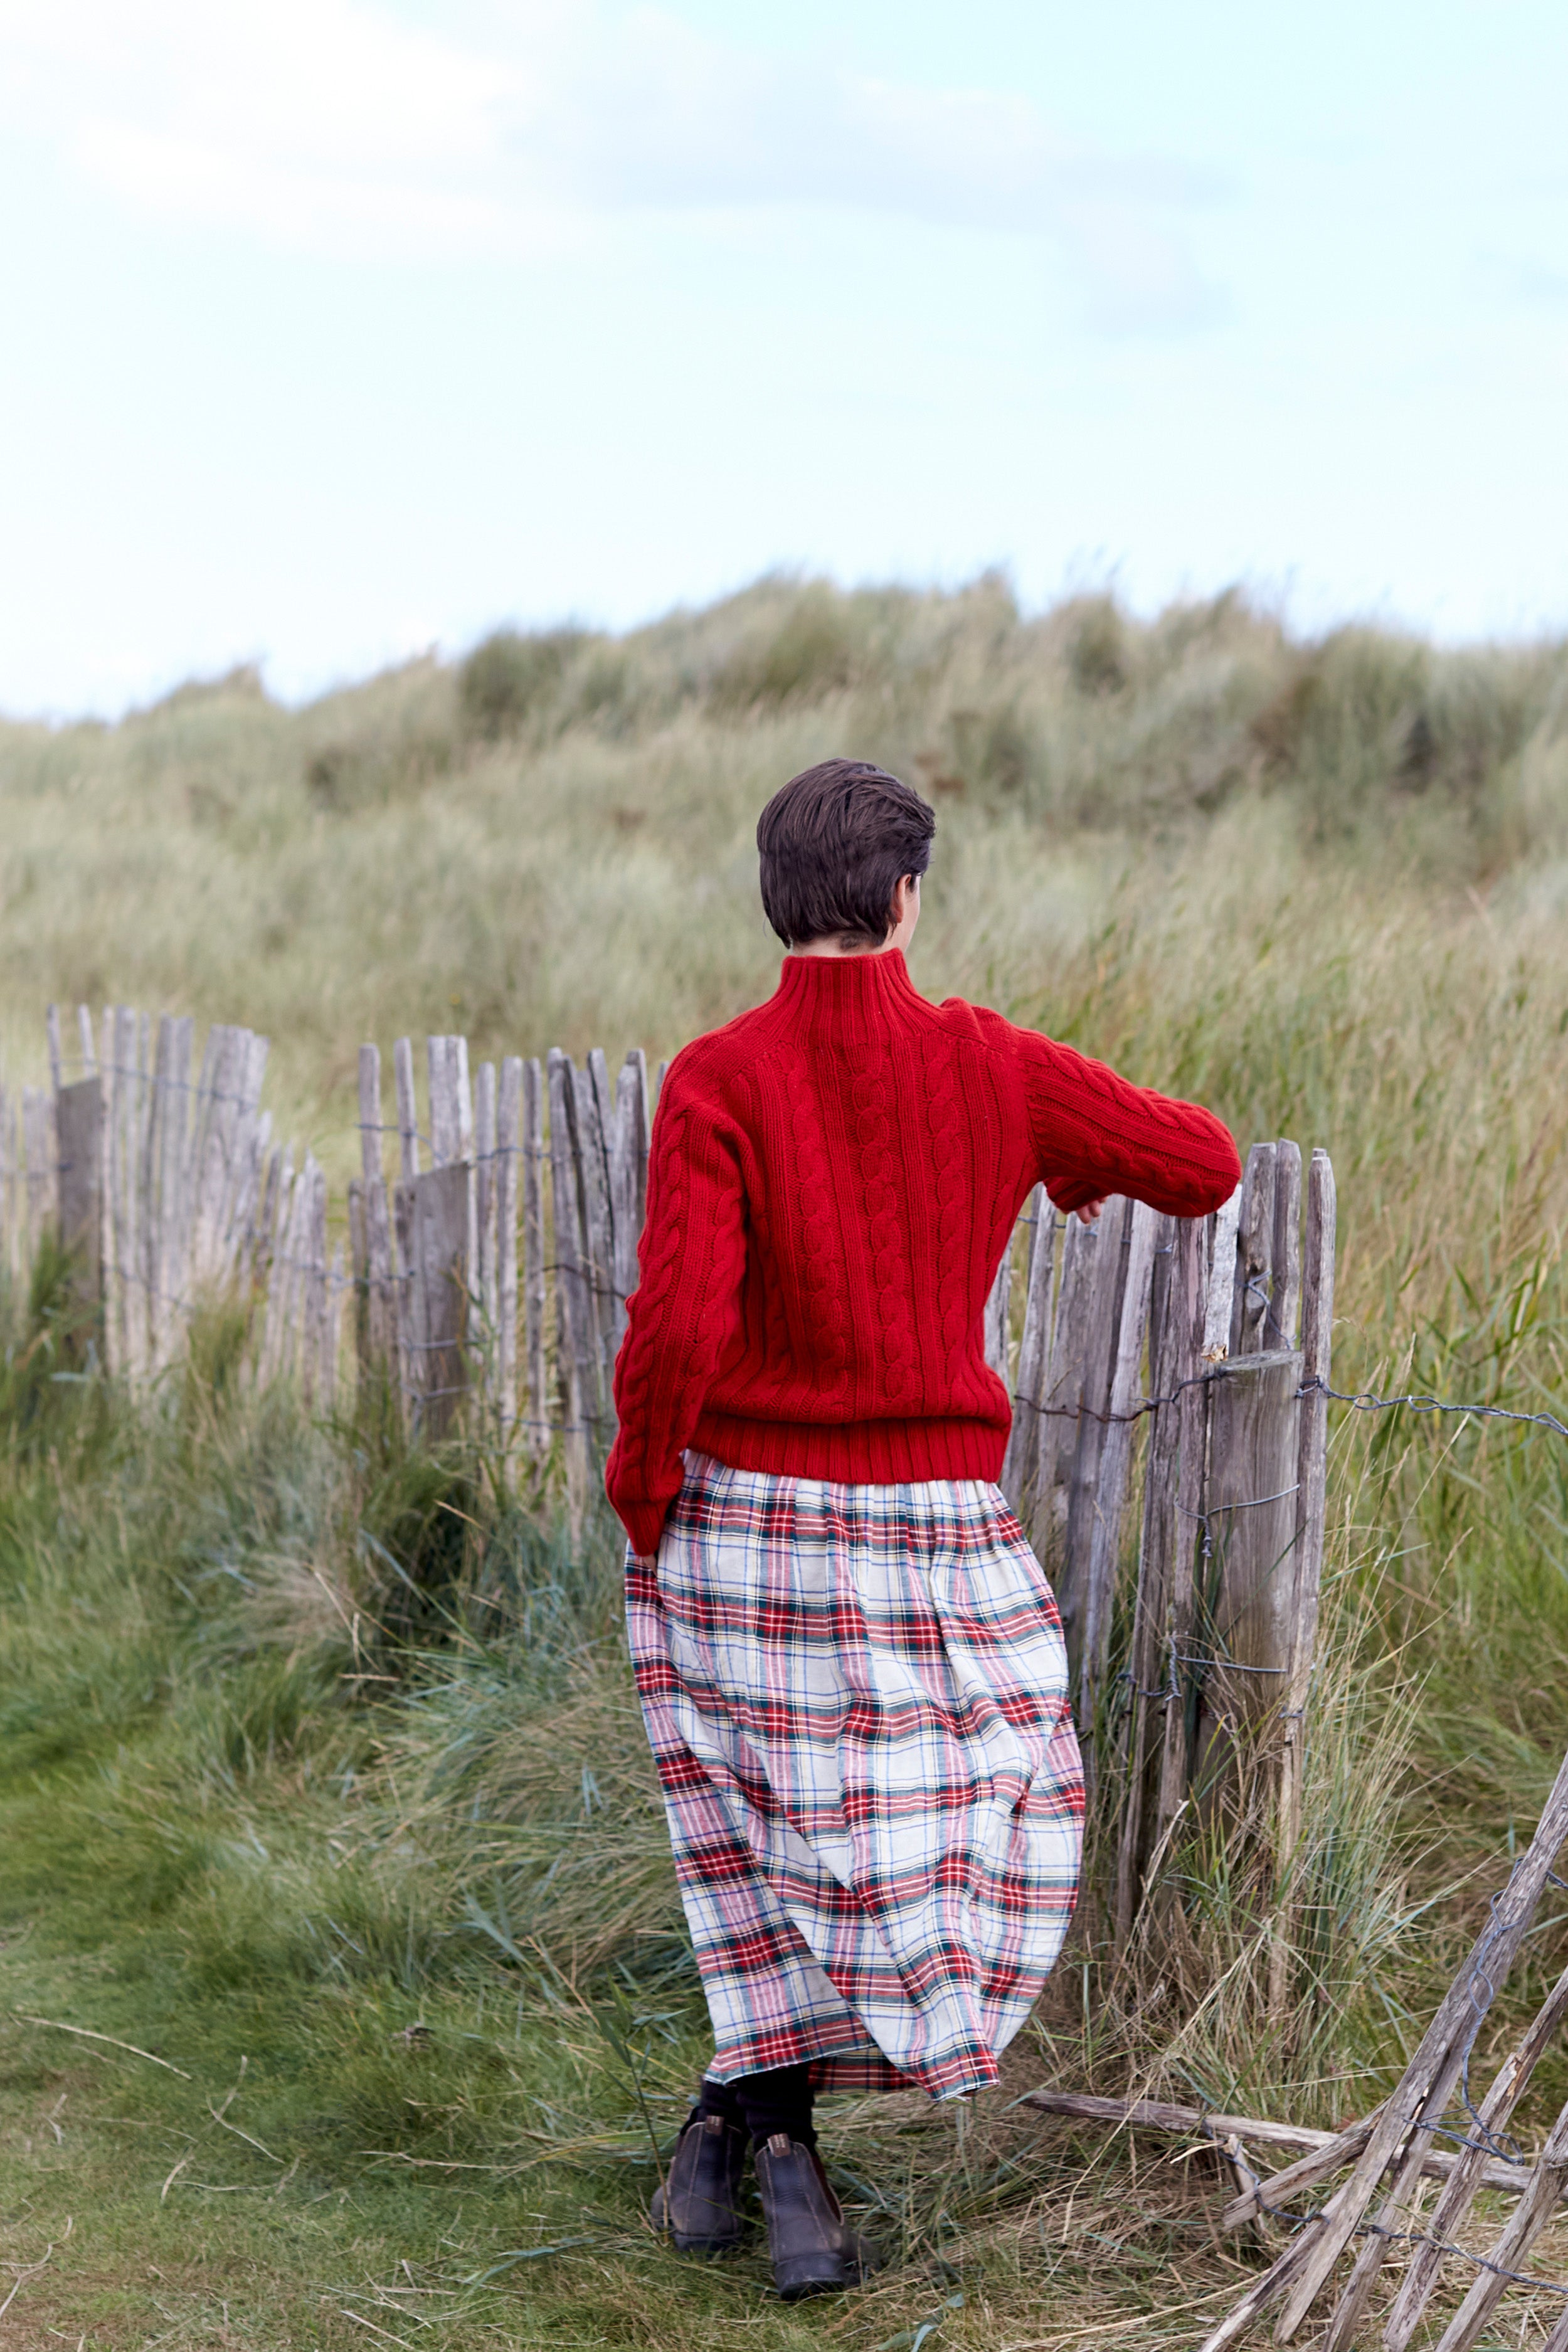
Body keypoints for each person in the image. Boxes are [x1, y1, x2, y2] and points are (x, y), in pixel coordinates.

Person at [605, 758, 1240, 2299]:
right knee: (948, 1821)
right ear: (905, 898)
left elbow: (676, 1325)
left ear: (775, 900)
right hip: (933, 1535)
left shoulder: (716, 1076)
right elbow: (1204, 1162)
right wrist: (1051, 1151)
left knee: (766, 1838)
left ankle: (743, 2142)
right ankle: (776, 2163)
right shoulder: (988, 1063)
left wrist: (642, 1494)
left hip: (744, 1525)